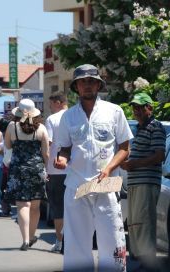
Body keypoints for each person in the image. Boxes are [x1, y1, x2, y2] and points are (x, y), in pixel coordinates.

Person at [54, 64, 132, 271]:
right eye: (82, 82)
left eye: (91, 81)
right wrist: (61, 159)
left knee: (112, 240)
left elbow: (125, 148)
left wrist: (108, 168)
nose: (87, 85)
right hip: (76, 186)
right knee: (76, 243)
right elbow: (64, 149)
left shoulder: (114, 112)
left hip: (106, 185)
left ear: (98, 85)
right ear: (76, 87)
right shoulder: (67, 116)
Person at [120, 92, 166, 272]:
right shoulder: (139, 129)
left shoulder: (156, 127)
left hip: (146, 182)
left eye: (140, 107)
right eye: (134, 108)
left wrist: (134, 163)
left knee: (144, 223)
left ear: (150, 108)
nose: (136, 111)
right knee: (135, 222)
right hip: (135, 181)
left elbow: (159, 155)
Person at [4, 98, 49, 251]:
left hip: (18, 169)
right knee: (35, 206)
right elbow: (46, 153)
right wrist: (46, 170)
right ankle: (31, 236)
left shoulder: (12, 126)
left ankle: (25, 240)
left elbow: (8, 146)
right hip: (37, 169)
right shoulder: (42, 128)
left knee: (23, 205)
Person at [45, 91, 68, 253]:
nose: (50, 107)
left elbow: (48, 145)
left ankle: (60, 242)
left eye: (52, 104)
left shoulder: (52, 119)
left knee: (58, 208)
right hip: (76, 171)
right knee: (75, 209)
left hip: (55, 170)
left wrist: (45, 167)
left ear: (59, 102)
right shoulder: (77, 116)